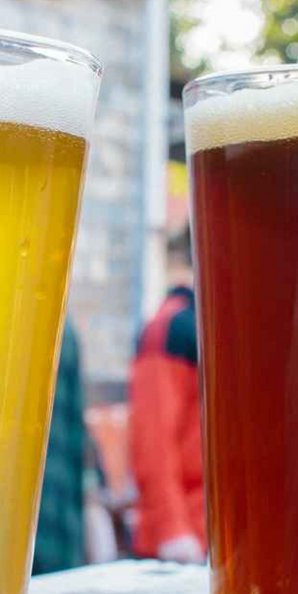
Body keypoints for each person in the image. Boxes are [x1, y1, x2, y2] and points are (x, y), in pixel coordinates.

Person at [128, 230, 204, 563]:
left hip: (209, 537)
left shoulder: (203, 322)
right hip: (181, 545)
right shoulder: (172, 327)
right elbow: (153, 436)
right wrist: (172, 530)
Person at [32, 320, 94, 575]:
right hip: (57, 522)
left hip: (52, 518)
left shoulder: (61, 330)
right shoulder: (63, 329)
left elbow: (77, 430)